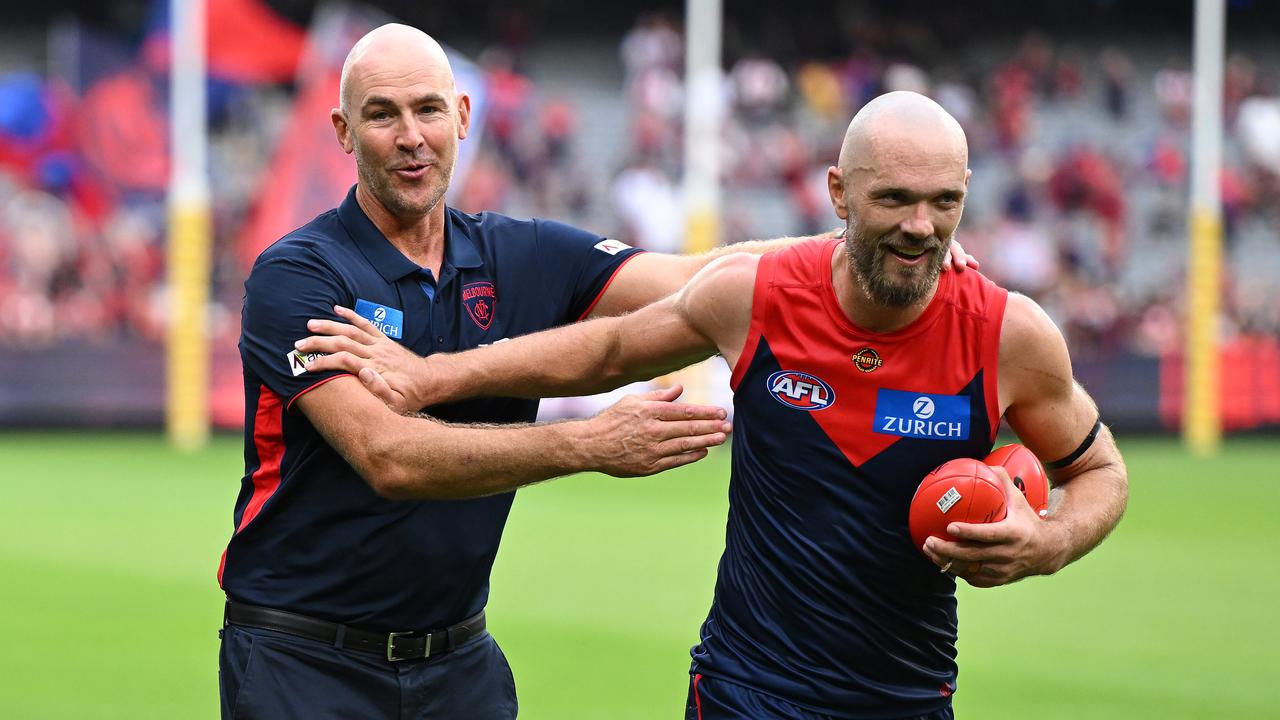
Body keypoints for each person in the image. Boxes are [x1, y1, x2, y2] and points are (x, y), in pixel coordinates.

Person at [221, 23, 979, 720]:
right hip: (302, 658)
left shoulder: (518, 254)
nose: (411, 137)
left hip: (456, 664)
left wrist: (873, 240)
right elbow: (387, 455)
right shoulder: (300, 275)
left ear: (463, 115)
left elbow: (695, 278)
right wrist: (588, 443)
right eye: (382, 115)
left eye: (428, 110)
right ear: (343, 132)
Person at [300, 91, 1128, 719]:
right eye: (895, 200)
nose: (921, 226)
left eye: (944, 202)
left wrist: (1048, 542)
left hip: (908, 697)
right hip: (744, 691)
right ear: (839, 194)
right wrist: (431, 377)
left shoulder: (1009, 335)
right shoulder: (757, 295)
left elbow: (1099, 472)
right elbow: (608, 349)